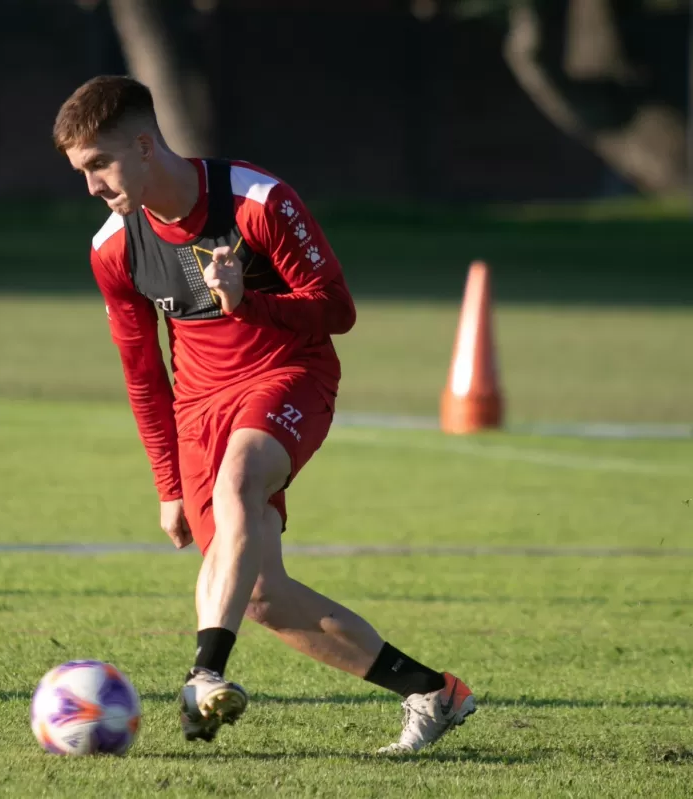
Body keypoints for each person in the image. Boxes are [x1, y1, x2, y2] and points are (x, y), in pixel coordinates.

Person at [51, 75, 476, 753]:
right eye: (81, 172)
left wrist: (247, 302)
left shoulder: (258, 199)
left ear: (142, 144)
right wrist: (167, 483)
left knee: (240, 477)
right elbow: (142, 374)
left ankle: (205, 670)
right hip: (199, 410)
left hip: (289, 373)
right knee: (259, 595)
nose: (92, 185)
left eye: (98, 165)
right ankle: (433, 691)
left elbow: (337, 311)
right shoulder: (113, 247)